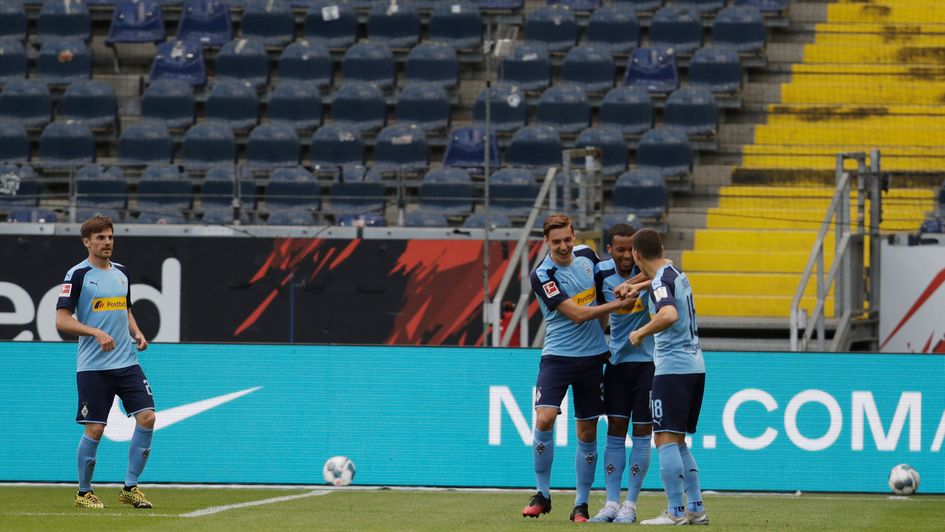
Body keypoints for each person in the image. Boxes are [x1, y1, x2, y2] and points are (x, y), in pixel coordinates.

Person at [521, 214, 634, 523]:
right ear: (546, 242)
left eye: (567, 239)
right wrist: (616, 306)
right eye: (556, 242)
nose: (563, 246)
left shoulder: (586, 255)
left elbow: (605, 285)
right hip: (557, 357)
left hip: (593, 359)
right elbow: (578, 314)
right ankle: (542, 494)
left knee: (587, 430)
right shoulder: (542, 275)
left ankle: (581, 505)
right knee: (544, 418)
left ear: (574, 236)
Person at [55, 215, 155, 510]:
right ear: (87, 242)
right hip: (93, 366)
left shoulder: (122, 273)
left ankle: (130, 488)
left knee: (147, 417)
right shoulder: (77, 275)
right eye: (100, 238)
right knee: (95, 429)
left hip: (126, 362)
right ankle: (84, 492)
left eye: (110, 237)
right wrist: (94, 331)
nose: (107, 242)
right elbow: (61, 320)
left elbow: (125, 309)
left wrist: (136, 331)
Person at [623, 228, 708, 526]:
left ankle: (674, 511)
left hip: (673, 369)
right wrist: (639, 287)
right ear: (659, 248)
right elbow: (660, 277)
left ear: (635, 254)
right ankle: (695, 507)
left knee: (664, 439)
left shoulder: (661, 282)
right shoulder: (674, 272)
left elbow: (668, 314)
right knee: (678, 440)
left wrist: (641, 331)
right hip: (695, 365)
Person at [588, 224, 655, 524]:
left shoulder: (650, 273)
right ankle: (611, 503)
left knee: (642, 432)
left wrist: (636, 284)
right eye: (621, 249)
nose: (627, 255)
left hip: (647, 364)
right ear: (610, 250)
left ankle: (631, 504)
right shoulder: (600, 273)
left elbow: (668, 271)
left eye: (632, 249)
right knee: (615, 430)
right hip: (616, 364)